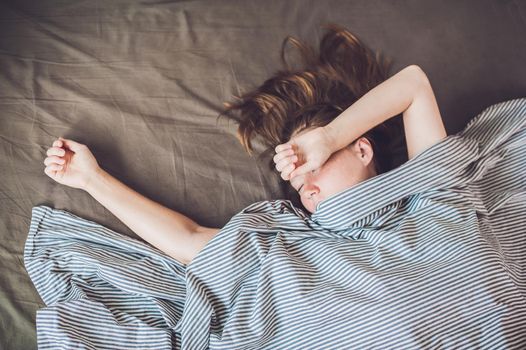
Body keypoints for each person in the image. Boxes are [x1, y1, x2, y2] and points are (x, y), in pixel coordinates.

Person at [42, 23, 446, 268]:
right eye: (297, 182)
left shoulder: (427, 194)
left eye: (311, 165)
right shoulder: (294, 242)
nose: (305, 187)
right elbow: (189, 239)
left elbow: (413, 84)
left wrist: (326, 138)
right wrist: (91, 178)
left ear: (361, 149)